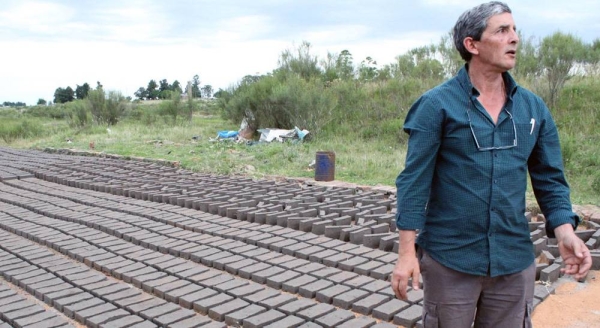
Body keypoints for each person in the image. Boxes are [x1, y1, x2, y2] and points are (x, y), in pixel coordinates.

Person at [390, 2, 592, 327]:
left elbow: (550, 179)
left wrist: (565, 232)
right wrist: (405, 254)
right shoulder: (436, 106)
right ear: (472, 45)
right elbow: (414, 182)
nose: (514, 38)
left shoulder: (533, 108)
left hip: (513, 260)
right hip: (451, 260)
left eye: (514, 30)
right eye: (501, 30)